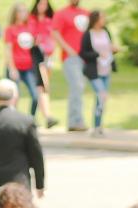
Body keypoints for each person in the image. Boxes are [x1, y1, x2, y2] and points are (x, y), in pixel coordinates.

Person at [51, 0, 88, 132]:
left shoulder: (86, 13)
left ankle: (78, 120)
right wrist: (68, 49)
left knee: (80, 88)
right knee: (76, 86)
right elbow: (55, 33)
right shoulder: (61, 14)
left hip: (86, 58)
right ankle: (75, 121)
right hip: (71, 57)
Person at [79, 10, 115, 136]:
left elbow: (109, 47)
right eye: (101, 18)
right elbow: (83, 53)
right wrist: (98, 54)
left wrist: (113, 50)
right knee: (102, 94)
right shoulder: (88, 34)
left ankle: (98, 126)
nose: (103, 20)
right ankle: (96, 126)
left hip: (106, 69)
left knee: (101, 99)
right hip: (94, 71)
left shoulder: (106, 32)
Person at [5, 3, 43, 119]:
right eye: (20, 11)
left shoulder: (30, 28)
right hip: (15, 67)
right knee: (14, 97)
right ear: (15, 14)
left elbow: (35, 44)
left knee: (35, 96)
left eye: (25, 11)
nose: (23, 14)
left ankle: (30, 120)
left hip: (29, 67)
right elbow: (8, 50)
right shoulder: (10, 29)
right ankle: (13, 120)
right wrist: (12, 68)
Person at [28, 0, 60, 128]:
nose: (42, 6)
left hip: (48, 56)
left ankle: (34, 117)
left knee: (43, 87)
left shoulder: (50, 19)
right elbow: (30, 36)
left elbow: (53, 36)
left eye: (45, 4)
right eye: (40, 4)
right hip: (36, 55)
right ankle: (47, 116)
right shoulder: (32, 19)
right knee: (42, 87)